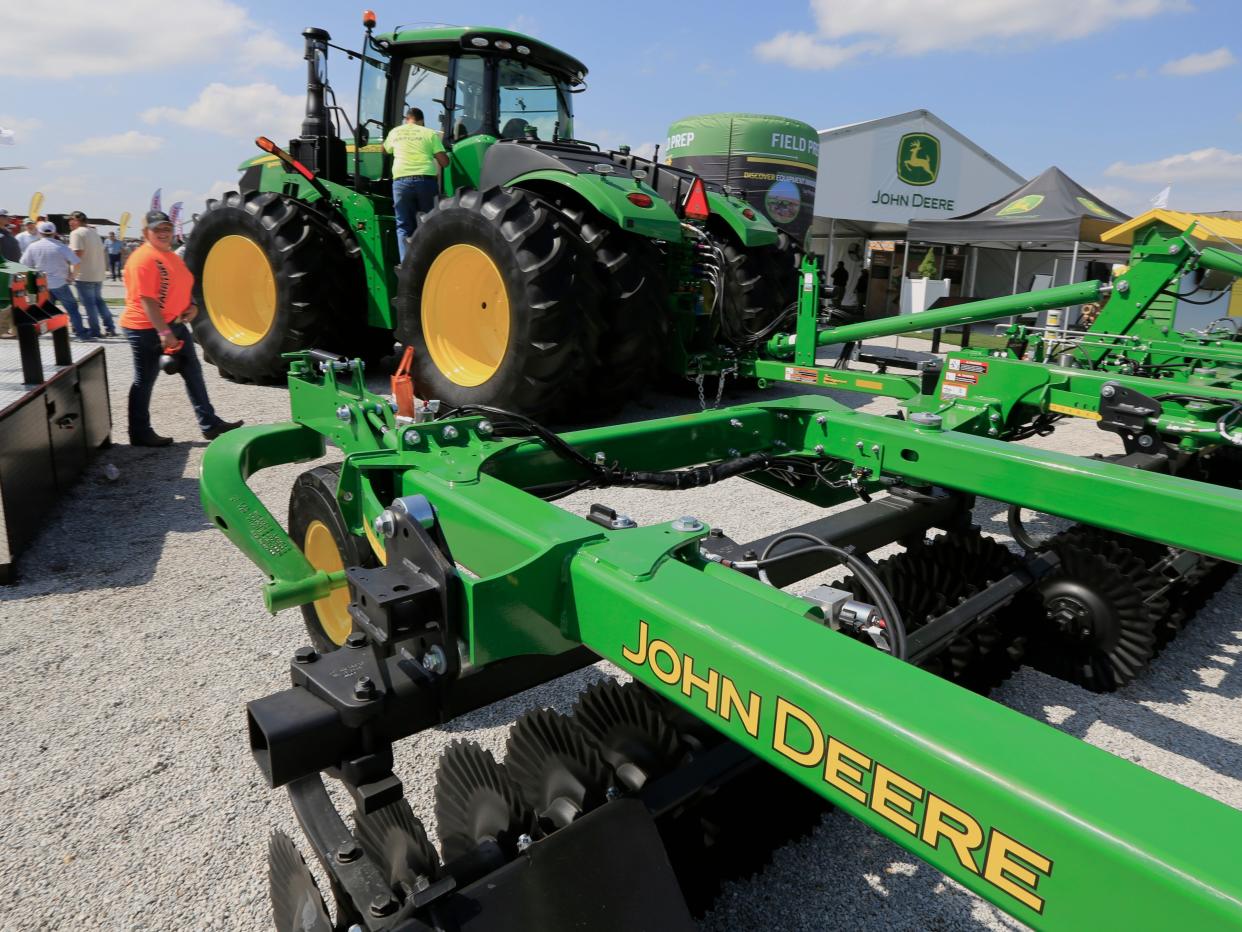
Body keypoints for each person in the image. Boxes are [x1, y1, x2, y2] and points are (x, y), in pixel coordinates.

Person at [121, 210, 243, 447]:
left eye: (166, 228)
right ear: (146, 232)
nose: (163, 233)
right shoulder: (142, 259)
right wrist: (164, 333)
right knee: (144, 380)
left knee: (193, 373)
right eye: (157, 229)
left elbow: (182, 285)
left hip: (174, 324)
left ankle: (210, 424)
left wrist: (192, 306)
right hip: (147, 328)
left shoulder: (170, 256)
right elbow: (147, 300)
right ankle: (139, 432)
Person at [383, 106, 449, 261]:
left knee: (403, 225)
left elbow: (385, 150)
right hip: (424, 181)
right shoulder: (429, 133)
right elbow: (444, 162)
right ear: (422, 121)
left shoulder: (395, 132)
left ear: (407, 119)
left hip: (401, 182)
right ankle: (430, 262)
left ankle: (406, 264)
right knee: (429, 223)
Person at [20, 221, 90, 339]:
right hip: (60, 283)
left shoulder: (33, 246)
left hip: (41, 285)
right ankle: (81, 333)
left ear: (40, 232)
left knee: (45, 310)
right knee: (72, 308)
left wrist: (30, 281)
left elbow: (23, 265)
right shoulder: (61, 246)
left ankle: (44, 332)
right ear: (54, 232)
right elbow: (77, 262)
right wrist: (72, 276)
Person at [69, 210, 116, 338]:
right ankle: (110, 327)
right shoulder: (94, 233)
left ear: (76, 220)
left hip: (84, 275)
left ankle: (95, 331)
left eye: (70, 220)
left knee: (90, 305)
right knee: (99, 302)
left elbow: (77, 254)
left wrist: (73, 273)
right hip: (97, 273)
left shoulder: (76, 233)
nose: (69, 223)